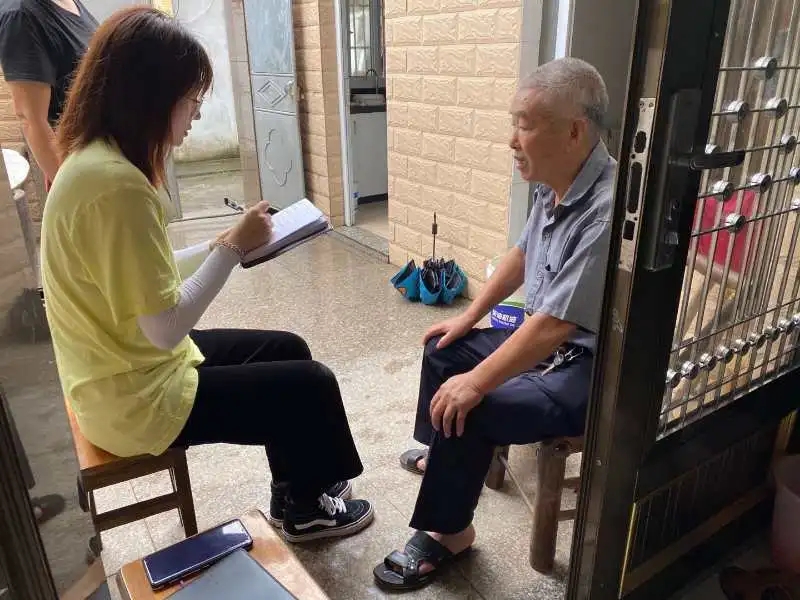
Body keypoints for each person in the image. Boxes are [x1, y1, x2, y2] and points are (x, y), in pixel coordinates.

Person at [40, 6, 373, 543]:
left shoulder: (94, 163)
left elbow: (148, 274)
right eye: (191, 98)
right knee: (310, 386)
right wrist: (231, 252)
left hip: (119, 369)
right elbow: (166, 327)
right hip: (133, 399)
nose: (195, 114)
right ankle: (308, 509)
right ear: (151, 96)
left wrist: (222, 243)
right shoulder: (118, 187)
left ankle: (298, 488)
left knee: (285, 347)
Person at [374, 57, 616, 590]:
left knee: (475, 401)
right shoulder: (553, 182)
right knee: (443, 350)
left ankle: (450, 532)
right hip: (546, 340)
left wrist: (478, 381)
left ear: (574, 131)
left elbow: (555, 326)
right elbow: (523, 255)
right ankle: (445, 456)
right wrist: (468, 317)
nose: (512, 140)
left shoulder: (606, 210)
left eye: (524, 125)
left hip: (587, 366)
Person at [0, 0, 97, 186]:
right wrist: (70, 185)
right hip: (80, 169)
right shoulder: (20, 16)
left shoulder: (67, 2)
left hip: (101, 153)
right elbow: (31, 119)